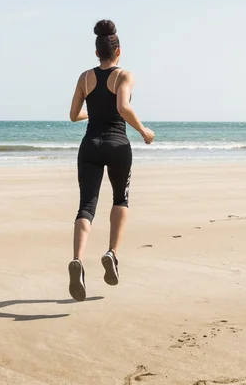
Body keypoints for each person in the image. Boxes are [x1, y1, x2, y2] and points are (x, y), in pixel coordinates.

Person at [68, 19, 155, 301]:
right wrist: (143, 130)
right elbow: (122, 106)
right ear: (118, 51)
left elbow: (73, 115)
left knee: (87, 206)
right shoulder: (125, 76)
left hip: (90, 146)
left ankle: (78, 260)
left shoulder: (85, 78)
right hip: (118, 145)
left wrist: (92, 113)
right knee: (120, 200)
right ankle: (111, 254)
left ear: (97, 53)